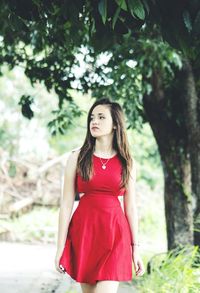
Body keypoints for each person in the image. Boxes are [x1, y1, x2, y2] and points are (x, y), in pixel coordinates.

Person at [55, 97, 145, 293]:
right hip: (85, 234)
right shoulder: (77, 157)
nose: (94, 122)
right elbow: (66, 205)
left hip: (116, 235)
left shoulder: (128, 162)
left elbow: (130, 208)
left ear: (115, 125)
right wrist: (60, 247)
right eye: (92, 117)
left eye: (101, 117)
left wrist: (135, 249)